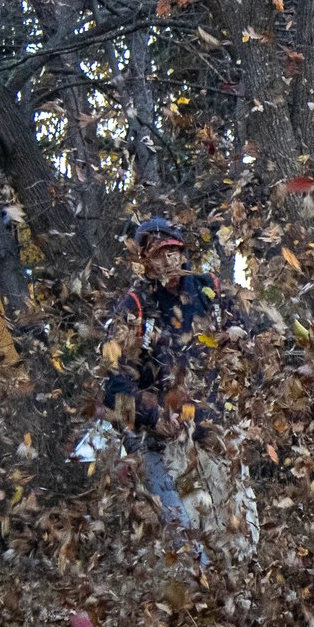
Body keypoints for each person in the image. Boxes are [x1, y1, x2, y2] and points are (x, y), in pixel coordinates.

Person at [101, 217, 257, 553]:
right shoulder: (135, 307)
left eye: (172, 250)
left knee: (242, 540)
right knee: (186, 545)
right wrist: (152, 416)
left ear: (183, 253)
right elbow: (113, 390)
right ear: (145, 261)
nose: (167, 260)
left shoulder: (210, 288)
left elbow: (255, 330)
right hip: (162, 443)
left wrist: (242, 337)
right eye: (157, 253)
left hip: (214, 433)